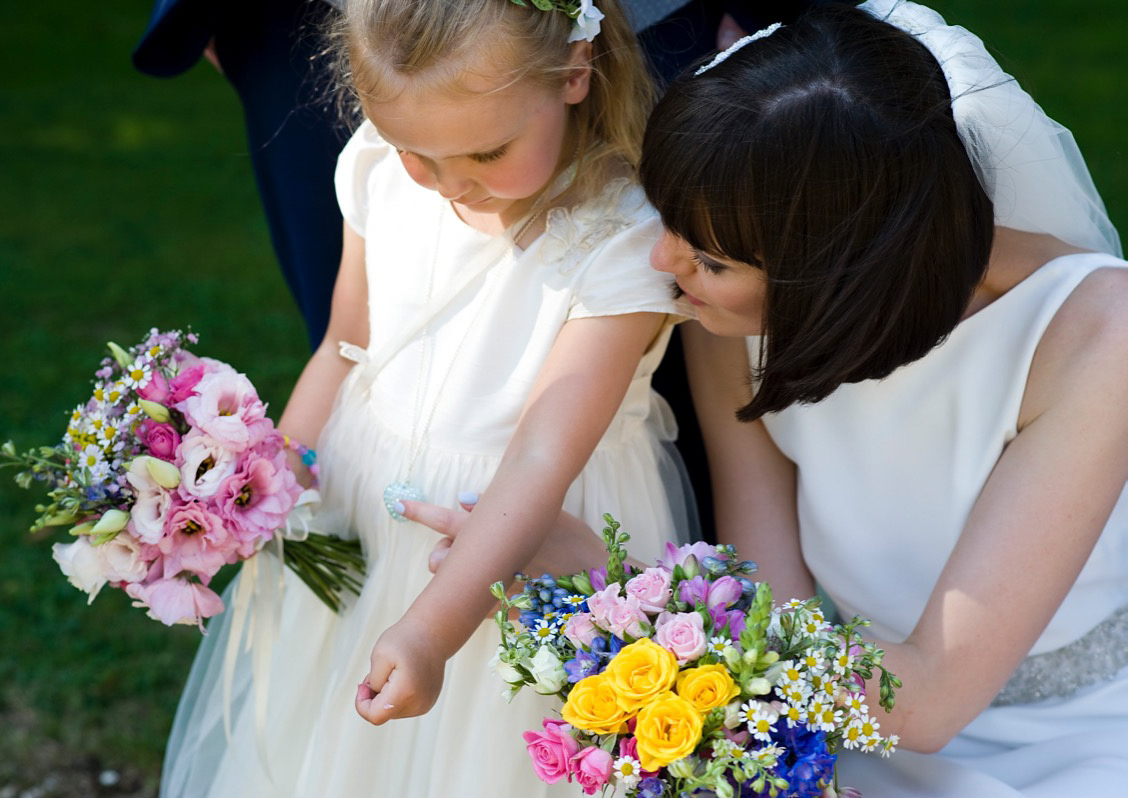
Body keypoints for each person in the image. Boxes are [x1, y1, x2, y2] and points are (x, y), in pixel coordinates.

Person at [408, 1, 1128, 795]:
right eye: (668, 220)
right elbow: (773, 599)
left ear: (842, 273)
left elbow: (921, 701)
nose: (660, 259)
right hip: (830, 716)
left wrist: (620, 585)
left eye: (711, 258)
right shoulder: (722, 312)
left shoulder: (1099, 338)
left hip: (1062, 737)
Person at [158, 0, 694, 794]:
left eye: (486, 150)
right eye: (419, 151)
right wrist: (269, 488)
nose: (451, 185)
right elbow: (345, 345)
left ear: (576, 72)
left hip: (513, 546)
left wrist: (431, 631)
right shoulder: (378, 161)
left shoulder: (626, 237)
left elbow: (540, 457)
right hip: (363, 505)